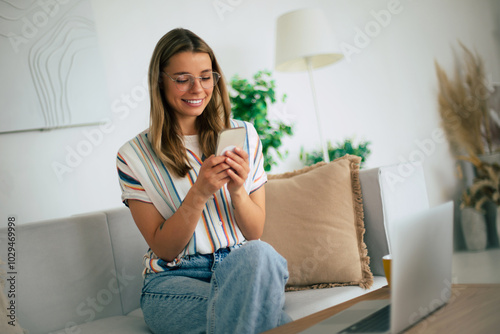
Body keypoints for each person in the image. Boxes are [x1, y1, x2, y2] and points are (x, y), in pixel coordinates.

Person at [116, 28, 291, 334]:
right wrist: (198, 194)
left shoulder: (245, 135)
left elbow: (255, 231)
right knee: (270, 318)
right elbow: (165, 248)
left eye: (206, 76)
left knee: (261, 254)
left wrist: (237, 191)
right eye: (182, 79)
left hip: (242, 268)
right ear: (160, 80)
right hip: (173, 282)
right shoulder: (133, 156)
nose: (197, 88)